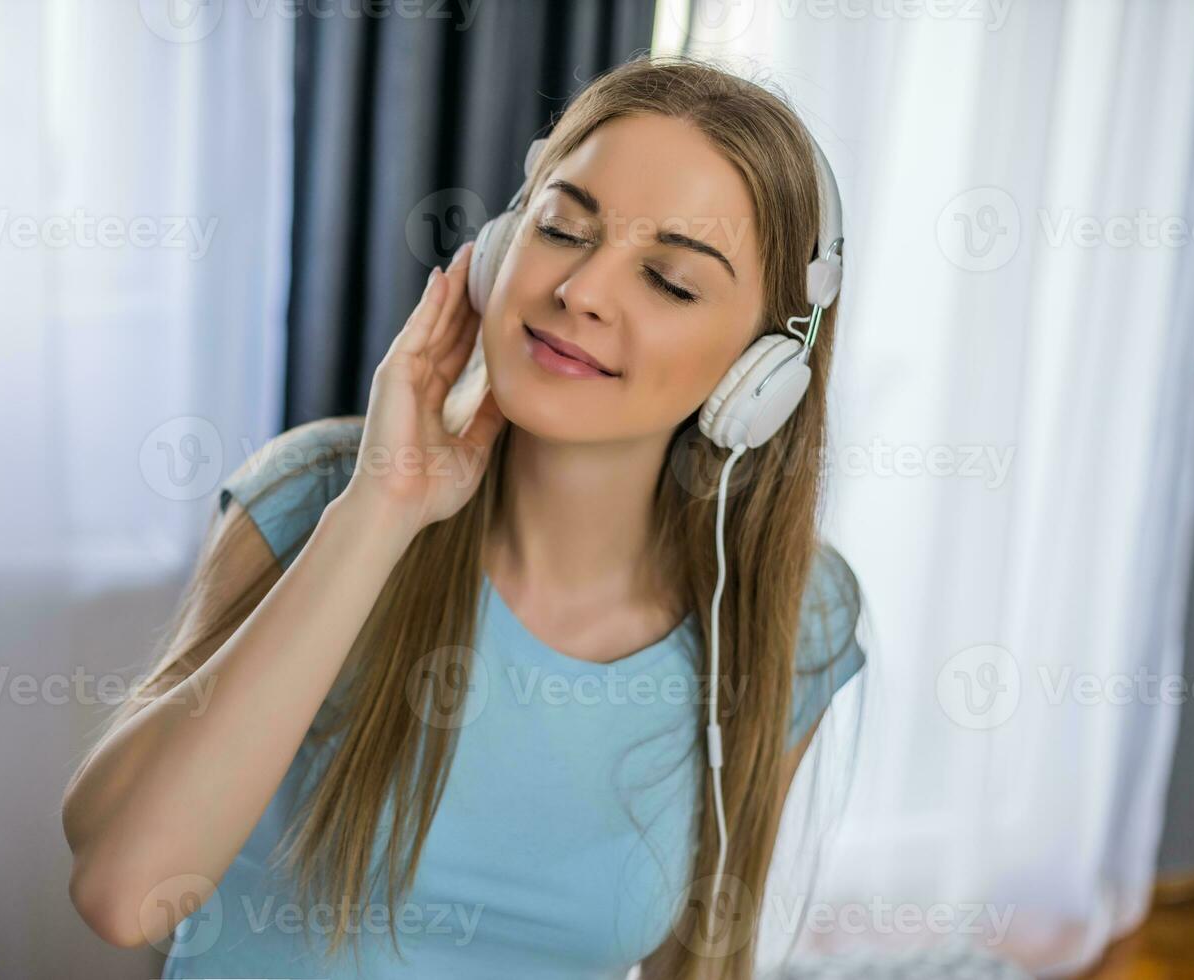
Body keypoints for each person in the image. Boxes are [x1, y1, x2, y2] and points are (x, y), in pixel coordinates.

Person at [61, 53, 869, 980]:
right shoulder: (312, 494)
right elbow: (123, 891)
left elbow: (702, 962)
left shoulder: (795, 614)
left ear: (760, 373)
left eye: (671, 282)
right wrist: (382, 509)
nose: (582, 292)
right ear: (498, 246)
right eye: (564, 228)